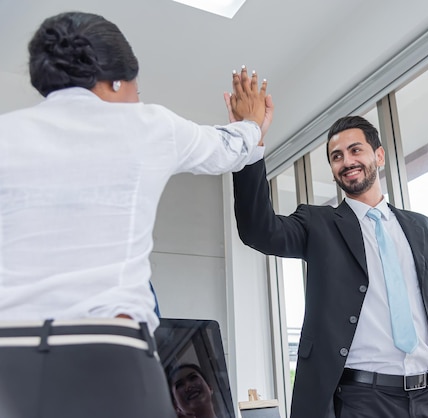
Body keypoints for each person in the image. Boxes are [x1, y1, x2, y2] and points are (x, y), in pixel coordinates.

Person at [0, 11, 271, 418]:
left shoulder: (7, 133)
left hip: (9, 358)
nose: (136, 99)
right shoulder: (147, 125)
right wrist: (251, 121)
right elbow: (232, 149)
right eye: (134, 88)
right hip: (110, 354)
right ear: (113, 80)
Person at [231, 115, 428, 418]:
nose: (346, 161)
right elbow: (259, 230)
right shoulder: (317, 224)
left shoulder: (421, 227)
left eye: (355, 150)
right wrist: (250, 141)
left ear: (379, 155)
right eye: (337, 156)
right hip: (362, 400)